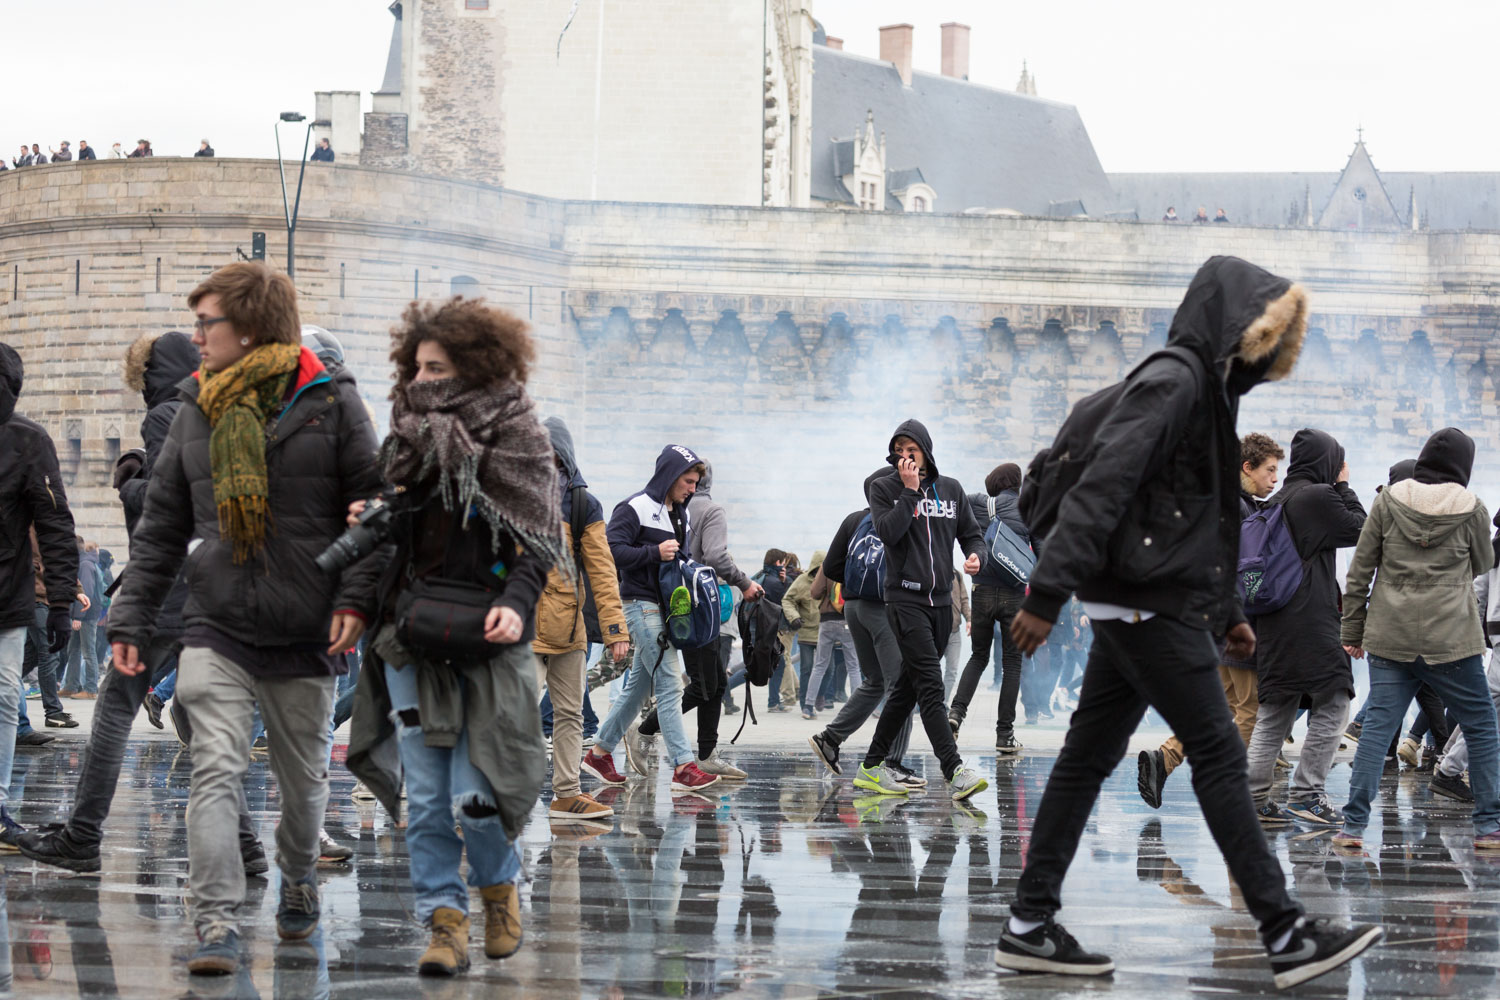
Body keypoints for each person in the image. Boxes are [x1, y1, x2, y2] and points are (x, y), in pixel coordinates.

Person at [995, 256, 1382, 989]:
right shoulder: (1176, 382)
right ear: (1233, 325)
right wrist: (1046, 594)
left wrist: (1230, 614)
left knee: (1085, 761)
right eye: (1260, 338)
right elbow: (1109, 478)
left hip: (1146, 598)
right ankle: (1284, 928)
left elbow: (1200, 519)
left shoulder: (1206, 395)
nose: (1264, 358)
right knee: (1216, 751)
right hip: (1146, 601)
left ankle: (1028, 923)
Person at [106, 261, 382, 975]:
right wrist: (131, 619)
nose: (195, 336)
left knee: (301, 787)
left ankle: (296, 878)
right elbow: (163, 522)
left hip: (306, 624)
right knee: (215, 769)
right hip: (217, 621)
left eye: (207, 323)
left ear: (251, 327)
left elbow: (377, 509)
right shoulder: (197, 404)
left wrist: (354, 597)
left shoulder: (333, 401)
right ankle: (217, 921)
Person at [346, 296, 564, 976]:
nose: (421, 382)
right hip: (411, 634)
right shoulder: (408, 433)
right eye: (415, 368)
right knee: (428, 798)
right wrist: (379, 516)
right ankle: (443, 923)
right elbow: (396, 542)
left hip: (488, 639)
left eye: (436, 368)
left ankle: (499, 891)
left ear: (473, 366)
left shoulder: (520, 433)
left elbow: (538, 539)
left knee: (474, 795)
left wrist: (517, 604)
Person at [18, 330, 270, 877]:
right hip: (211, 586)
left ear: (151, 374)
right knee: (200, 717)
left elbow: (165, 505)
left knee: (114, 708)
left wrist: (130, 477)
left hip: (168, 589)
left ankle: (83, 836)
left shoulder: (167, 414)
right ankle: (248, 846)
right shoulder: (219, 412)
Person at [1337, 428, 1500, 853]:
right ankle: (1488, 828)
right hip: (1453, 640)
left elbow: (1360, 573)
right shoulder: (1474, 509)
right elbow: (1484, 561)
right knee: (1482, 727)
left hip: (1390, 636)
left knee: (1376, 730)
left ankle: (1352, 828)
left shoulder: (1386, 502)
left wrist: (1352, 632)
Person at [1138, 432, 1284, 807]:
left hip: (1212, 624)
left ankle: (1165, 758)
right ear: (1246, 468)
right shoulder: (1240, 509)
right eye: (1269, 470)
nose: (1275, 478)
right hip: (1234, 625)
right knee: (1250, 712)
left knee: (1216, 709)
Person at [850, 419, 989, 802]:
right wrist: (909, 494)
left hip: (943, 604)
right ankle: (954, 770)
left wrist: (976, 555)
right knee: (931, 685)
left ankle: (871, 766)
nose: (905, 457)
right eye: (898, 452)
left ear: (926, 451)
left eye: (911, 450)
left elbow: (971, 533)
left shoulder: (951, 489)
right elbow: (888, 533)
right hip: (905, 601)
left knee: (907, 690)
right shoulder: (884, 489)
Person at [579, 445, 722, 794]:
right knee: (671, 685)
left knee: (638, 688)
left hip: (667, 612)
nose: (692, 488)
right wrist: (653, 553)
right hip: (640, 606)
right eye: (688, 481)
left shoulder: (682, 515)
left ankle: (599, 753)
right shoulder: (635, 507)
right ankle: (684, 767)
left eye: (695, 482)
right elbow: (609, 552)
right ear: (670, 476)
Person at [1243, 429, 1365, 827]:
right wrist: (1344, 486)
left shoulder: (1277, 499)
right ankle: (1307, 795)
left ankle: (1254, 798)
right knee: (1335, 701)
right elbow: (1363, 531)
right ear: (1328, 462)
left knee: (1276, 709)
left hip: (1274, 622)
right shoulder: (1317, 496)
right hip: (1310, 621)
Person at [532, 416, 629, 825]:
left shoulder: (583, 503)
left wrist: (614, 630)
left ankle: (567, 795)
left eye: (554, 455)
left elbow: (603, 570)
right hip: (520, 627)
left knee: (570, 715)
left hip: (569, 630)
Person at [0, 343, 78, 849]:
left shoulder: (29, 441)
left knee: (5, 693)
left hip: (4, 592)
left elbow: (54, 522)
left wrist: (64, 600)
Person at [635, 460, 759, 777]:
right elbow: (716, 557)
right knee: (706, 684)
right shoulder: (711, 511)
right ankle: (647, 730)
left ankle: (706, 752)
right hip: (701, 605)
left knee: (713, 682)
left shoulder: (673, 509)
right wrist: (744, 582)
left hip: (675, 603)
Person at [807, 469, 920, 789]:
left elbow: (830, 568)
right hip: (883, 608)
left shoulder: (853, 519)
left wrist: (858, 583)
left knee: (874, 681)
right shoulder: (895, 519)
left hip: (853, 607)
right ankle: (892, 763)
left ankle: (830, 739)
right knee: (900, 686)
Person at [950, 462, 1029, 752]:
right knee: (1012, 664)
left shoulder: (974, 502)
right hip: (1014, 594)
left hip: (981, 590)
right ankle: (1004, 735)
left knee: (979, 657)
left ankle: (956, 713)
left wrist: (970, 558)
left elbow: (959, 532)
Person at [784, 550, 824, 717]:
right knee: (807, 669)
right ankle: (805, 705)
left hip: (825, 632)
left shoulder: (831, 580)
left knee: (826, 670)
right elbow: (787, 600)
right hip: (807, 632)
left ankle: (820, 696)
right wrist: (794, 617)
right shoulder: (801, 581)